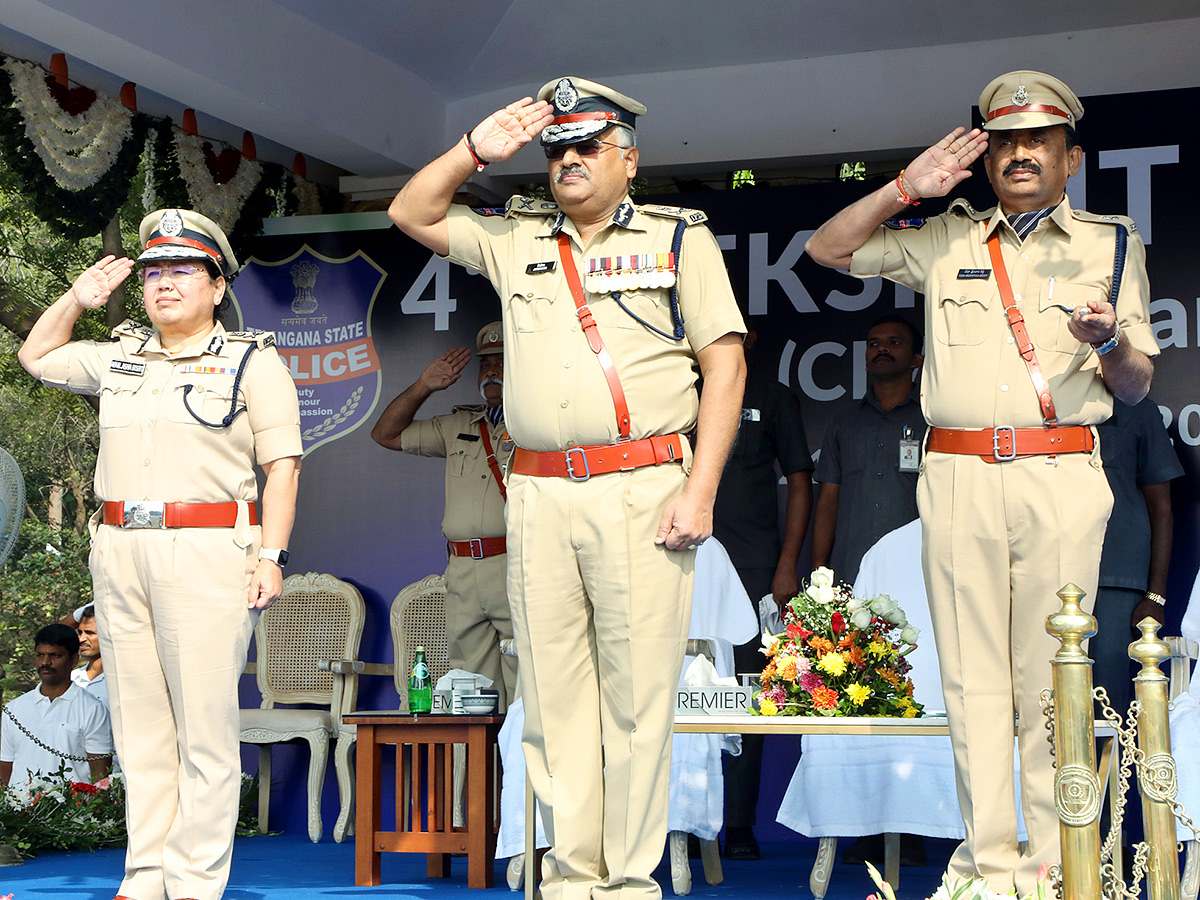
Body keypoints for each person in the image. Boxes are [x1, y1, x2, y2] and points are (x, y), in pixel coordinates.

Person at [388, 76, 746, 900]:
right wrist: (477, 149)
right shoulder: (516, 238)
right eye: (558, 149)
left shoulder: (677, 238)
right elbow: (413, 212)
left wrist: (701, 491)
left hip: (643, 485)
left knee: (636, 702)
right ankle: (568, 878)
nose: (570, 160)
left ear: (628, 158)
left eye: (589, 146)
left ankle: (628, 883)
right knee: (552, 704)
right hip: (540, 492)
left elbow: (725, 365)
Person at [805, 71, 1156, 895]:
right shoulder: (948, 236)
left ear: (1071, 158)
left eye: (1039, 141)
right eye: (1004, 142)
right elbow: (829, 250)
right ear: (987, 158)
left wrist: (1108, 344)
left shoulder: (1110, 243)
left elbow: (1137, 385)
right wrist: (904, 188)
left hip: (1061, 468)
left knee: (1049, 674)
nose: (1020, 154)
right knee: (968, 678)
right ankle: (989, 866)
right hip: (957, 469)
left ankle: (1049, 864)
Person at [17, 209, 302, 900]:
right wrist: (76, 299)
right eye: (151, 272)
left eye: (180, 270)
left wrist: (272, 556)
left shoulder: (251, 359)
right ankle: (144, 878)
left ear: (215, 284)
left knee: (204, 728)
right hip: (119, 551)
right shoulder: (117, 354)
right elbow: (36, 357)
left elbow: (284, 466)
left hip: (207, 549)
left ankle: (195, 882)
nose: (162, 283)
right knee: (140, 731)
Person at [371, 322, 518, 710]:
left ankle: (522, 773)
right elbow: (385, 434)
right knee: (471, 691)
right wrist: (424, 386)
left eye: (502, 362)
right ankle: (482, 774)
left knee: (526, 685)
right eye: (485, 363)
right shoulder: (459, 425)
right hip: (463, 570)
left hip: (515, 565)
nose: (491, 371)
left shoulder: (538, 425)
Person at [711, 326, 813, 861]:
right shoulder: (679, 395)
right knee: (671, 691)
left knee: (748, 693)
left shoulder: (772, 398)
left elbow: (799, 481)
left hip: (754, 568)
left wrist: (787, 566)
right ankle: (676, 825)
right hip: (684, 565)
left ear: (749, 339)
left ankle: (739, 824)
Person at [811, 315, 927, 586]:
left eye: (894, 342)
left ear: (916, 360)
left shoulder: (930, 419)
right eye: (873, 344)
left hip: (915, 566)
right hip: (851, 565)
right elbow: (828, 502)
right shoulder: (844, 422)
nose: (882, 349)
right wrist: (819, 570)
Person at [1092, 397, 1183, 719]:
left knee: (1105, 706)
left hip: (1114, 579)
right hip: (1042, 570)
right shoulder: (1036, 398)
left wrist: (1155, 595)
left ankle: (1106, 771)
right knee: (1041, 696)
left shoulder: (1135, 406)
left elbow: (1162, 509)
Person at [0, 623, 112, 788]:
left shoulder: (92, 710)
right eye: (40, 655)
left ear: (73, 660)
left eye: (55, 655)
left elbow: (100, 777)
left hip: (71, 811)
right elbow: (5, 769)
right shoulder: (14, 709)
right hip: (19, 810)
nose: (45, 662)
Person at [64, 604, 109, 708]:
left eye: (90, 633)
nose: (81, 639)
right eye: (80, 632)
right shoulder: (71, 679)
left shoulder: (120, 679)